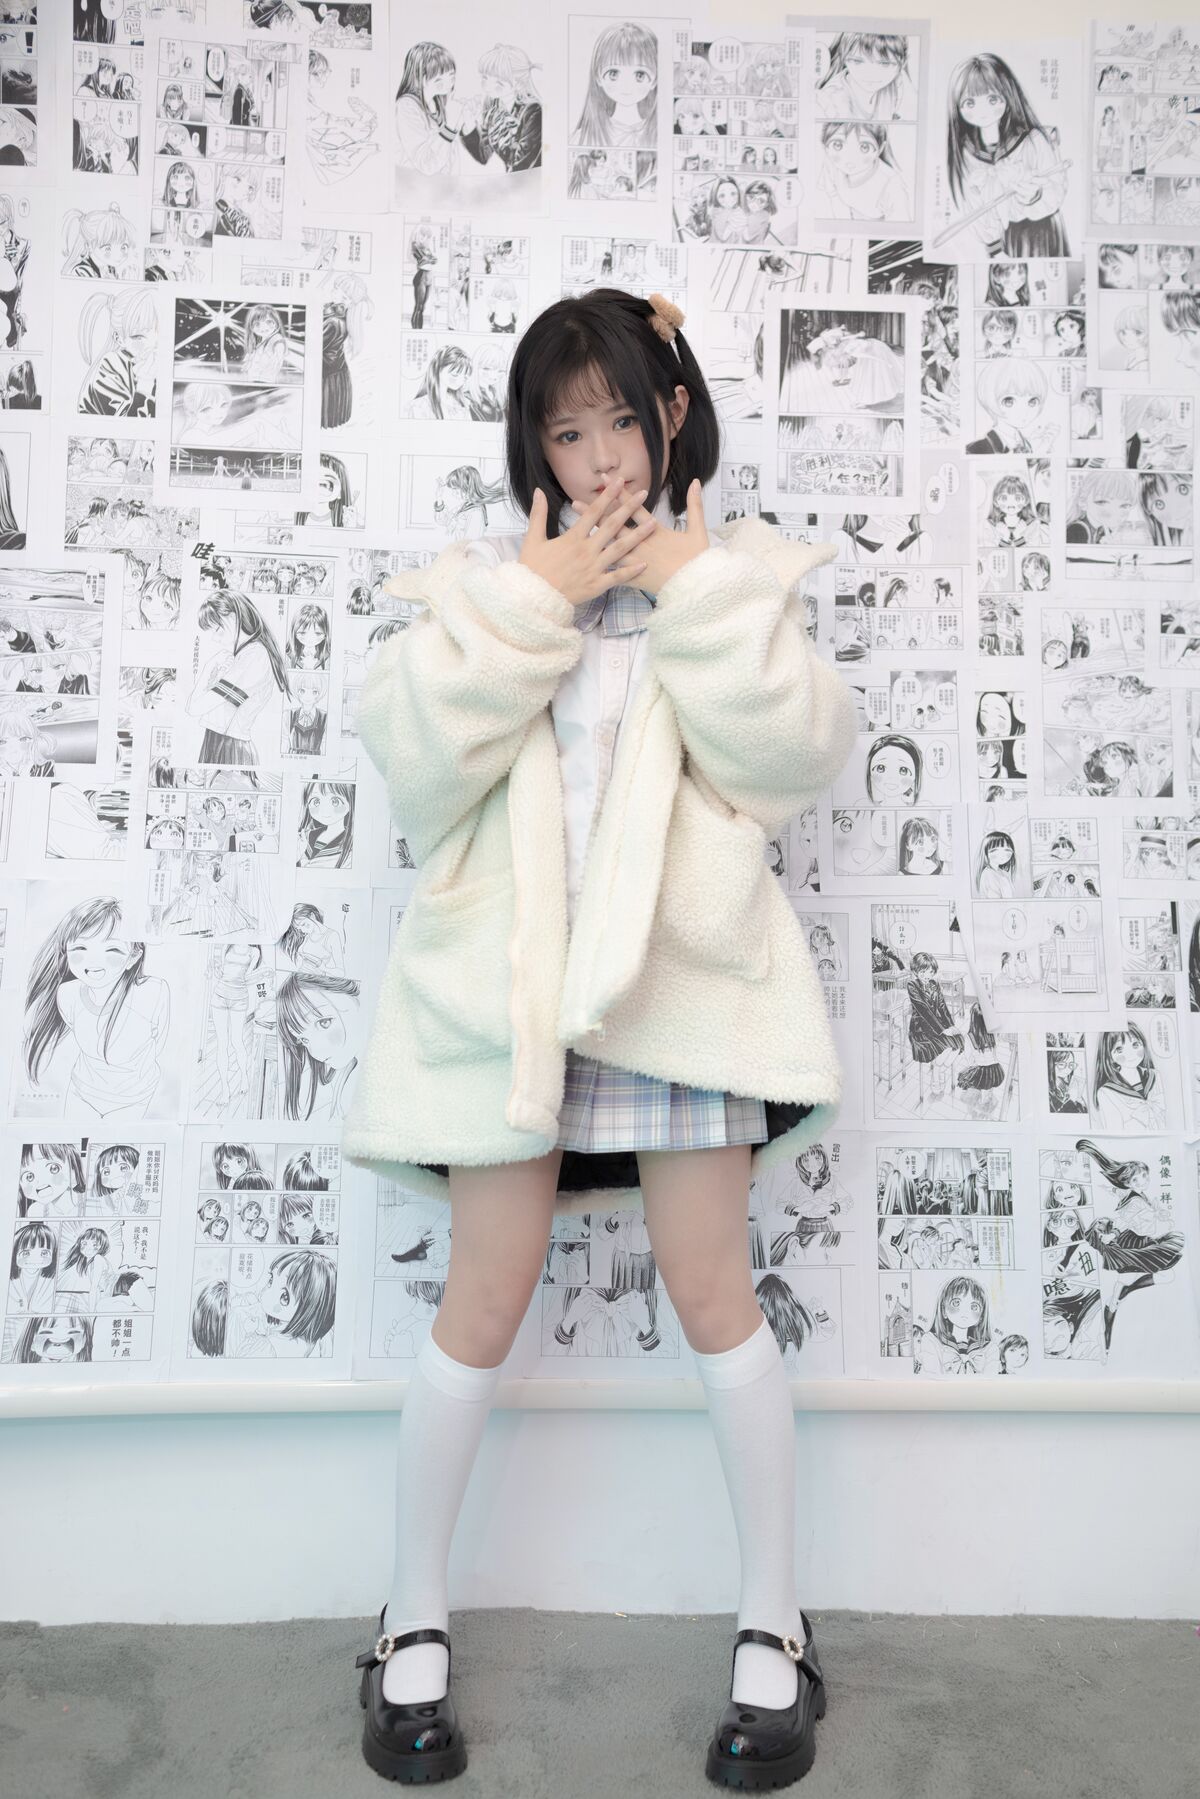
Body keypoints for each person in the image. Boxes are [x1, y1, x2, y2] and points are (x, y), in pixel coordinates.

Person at [343, 286, 855, 1785]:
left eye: (622, 419)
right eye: (568, 432)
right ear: (538, 448)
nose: (601, 457)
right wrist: (532, 599)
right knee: (482, 1297)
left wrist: (695, 589)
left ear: (673, 415)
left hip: (674, 996)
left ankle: (775, 1625)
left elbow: (790, 761)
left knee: (713, 1289)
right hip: (513, 1006)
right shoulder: (482, 590)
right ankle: (407, 1617)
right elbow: (417, 773)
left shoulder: (740, 581)